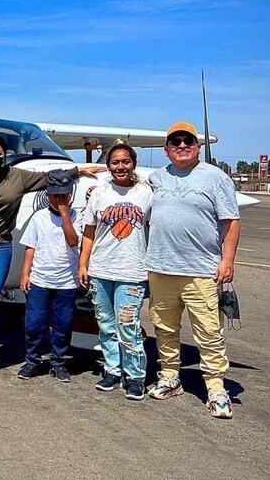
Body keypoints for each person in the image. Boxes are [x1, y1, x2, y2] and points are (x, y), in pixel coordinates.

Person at [0, 136, 103, 381]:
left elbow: (49, 179)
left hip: (0, 246)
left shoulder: (17, 176)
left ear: (4, 155)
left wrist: (79, 169)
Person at [144, 122, 241, 419]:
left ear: (198, 147)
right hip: (161, 267)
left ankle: (215, 387)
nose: (182, 146)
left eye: (188, 141)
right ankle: (170, 377)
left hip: (201, 270)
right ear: (166, 149)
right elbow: (127, 183)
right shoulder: (157, 178)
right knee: (163, 327)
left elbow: (231, 222)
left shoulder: (216, 178)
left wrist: (227, 261)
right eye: (176, 142)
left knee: (209, 332)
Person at [79, 143, 153, 401]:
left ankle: (135, 377)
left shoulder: (147, 193)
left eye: (125, 162)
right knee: (106, 325)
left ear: (133, 163)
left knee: (128, 325)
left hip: (132, 271)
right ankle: (112, 370)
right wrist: (82, 264)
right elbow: (88, 232)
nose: (120, 167)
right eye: (115, 162)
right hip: (100, 269)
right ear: (108, 166)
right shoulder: (99, 194)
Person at [17, 169, 82, 383]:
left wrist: (65, 215)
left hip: (66, 282)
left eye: (64, 195)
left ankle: (58, 362)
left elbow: (73, 241)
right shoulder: (39, 217)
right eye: (55, 196)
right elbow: (30, 247)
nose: (60, 199)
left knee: (62, 325)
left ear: (70, 195)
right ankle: (32, 361)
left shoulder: (77, 217)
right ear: (48, 196)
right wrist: (25, 273)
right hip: (40, 280)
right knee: (34, 323)